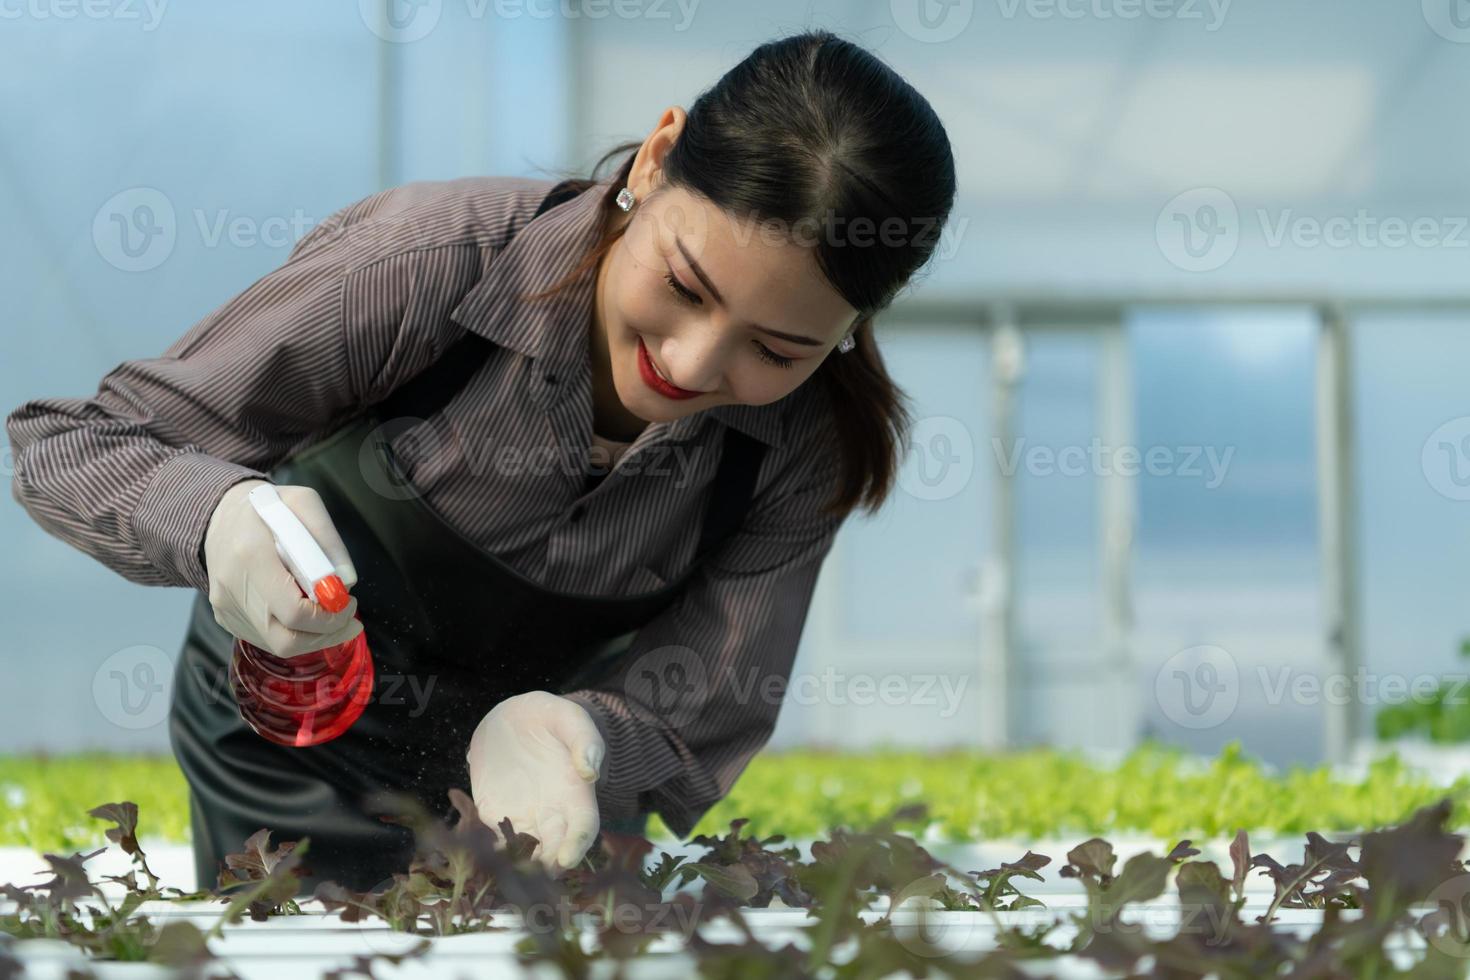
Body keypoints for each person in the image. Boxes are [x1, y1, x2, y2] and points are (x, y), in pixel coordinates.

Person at [6, 28, 956, 894]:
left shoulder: (804, 446)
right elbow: (77, 443)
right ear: (658, 160)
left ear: (849, 329)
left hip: (542, 782)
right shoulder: (421, 262)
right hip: (300, 733)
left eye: (777, 351)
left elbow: (707, 697)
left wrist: (586, 739)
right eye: (683, 285)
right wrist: (214, 518)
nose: (690, 364)